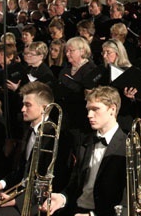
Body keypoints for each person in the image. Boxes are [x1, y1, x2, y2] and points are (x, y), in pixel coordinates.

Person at [0, 82, 71, 215]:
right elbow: (21, 171)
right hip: (19, 193)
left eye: (28, 105)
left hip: (37, 203)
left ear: (44, 108)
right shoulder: (29, 131)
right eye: (23, 104)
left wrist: (16, 200)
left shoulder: (57, 137)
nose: (22, 109)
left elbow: (53, 181)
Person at [49, 86, 127, 216]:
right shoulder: (86, 142)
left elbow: (124, 200)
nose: (89, 115)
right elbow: (75, 185)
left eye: (95, 109)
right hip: (75, 209)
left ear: (112, 109)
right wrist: (62, 198)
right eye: (88, 110)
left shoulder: (127, 147)